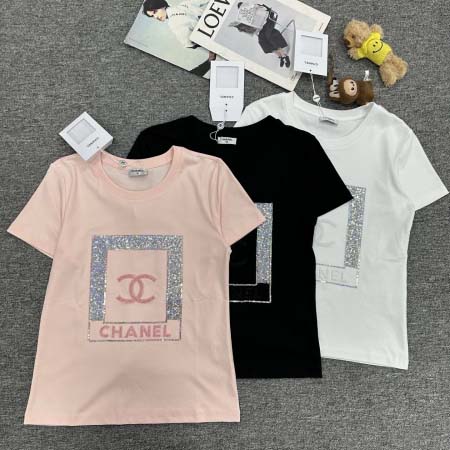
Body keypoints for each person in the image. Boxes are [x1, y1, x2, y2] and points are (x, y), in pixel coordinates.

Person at [230, 2, 291, 68]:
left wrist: (257, 9)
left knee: (269, 36)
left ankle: (284, 56)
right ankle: (280, 56)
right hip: (262, 27)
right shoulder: (246, 16)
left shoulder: (254, 7)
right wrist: (241, 27)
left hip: (269, 20)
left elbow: (266, 12)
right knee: (262, 41)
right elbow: (253, 27)